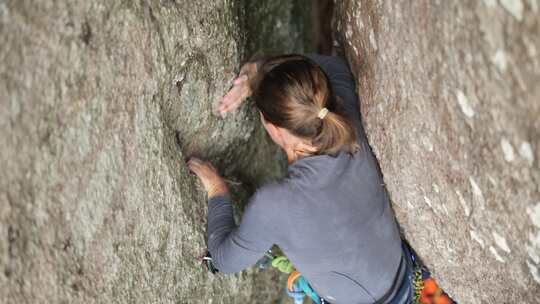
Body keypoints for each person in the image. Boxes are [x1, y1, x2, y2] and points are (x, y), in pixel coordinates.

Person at [187, 54, 455, 304]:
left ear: (273, 128)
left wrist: (217, 189)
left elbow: (224, 260)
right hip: (405, 283)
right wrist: (261, 71)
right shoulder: (348, 119)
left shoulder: (275, 204)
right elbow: (334, 67)